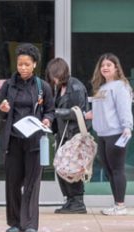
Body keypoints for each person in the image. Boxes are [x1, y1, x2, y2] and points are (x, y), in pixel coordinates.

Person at [0, 43, 55, 232]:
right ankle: (14, 222)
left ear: (34, 65)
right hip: (13, 139)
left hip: (34, 140)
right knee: (12, 182)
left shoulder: (42, 87)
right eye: (20, 64)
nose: (22, 68)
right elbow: (0, 111)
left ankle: (30, 224)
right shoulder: (8, 85)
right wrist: (2, 110)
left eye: (27, 64)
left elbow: (50, 110)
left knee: (32, 183)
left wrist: (47, 119)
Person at [86, 53, 134, 216]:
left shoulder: (120, 86)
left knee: (117, 169)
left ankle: (120, 205)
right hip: (103, 133)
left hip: (116, 133)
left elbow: (124, 108)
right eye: (102, 65)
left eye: (109, 65)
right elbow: (104, 110)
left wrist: (127, 127)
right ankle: (116, 204)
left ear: (116, 68)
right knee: (109, 170)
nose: (105, 68)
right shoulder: (102, 88)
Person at [45, 57, 90, 214]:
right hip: (63, 134)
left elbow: (78, 112)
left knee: (72, 168)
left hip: (73, 134)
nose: (54, 79)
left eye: (56, 75)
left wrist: (55, 113)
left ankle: (77, 201)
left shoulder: (76, 87)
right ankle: (70, 200)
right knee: (62, 167)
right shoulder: (60, 87)